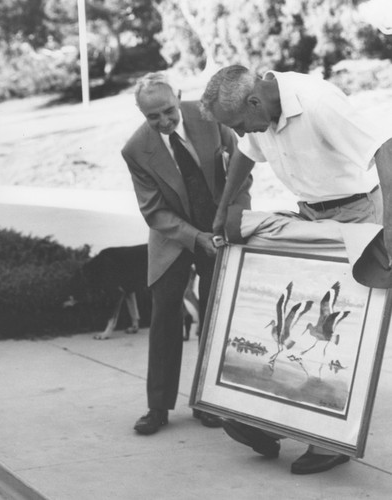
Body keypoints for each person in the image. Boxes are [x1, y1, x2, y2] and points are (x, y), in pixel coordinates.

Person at [200, 64, 392, 474]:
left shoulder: (317, 101)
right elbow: (243, 157)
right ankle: (266, 421)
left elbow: (385, 150)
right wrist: (223, 208)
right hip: (312, 214)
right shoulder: (259, 116)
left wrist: (391, 228)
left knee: (340, 328)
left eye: (238, 124)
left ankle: (330, 441)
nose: (240, 133)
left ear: (254, 101)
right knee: (293, 319)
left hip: (357, 212)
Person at [121, 71, 252, 435]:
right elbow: (155, 212)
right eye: (153, 117)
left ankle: (207, 402)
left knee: (214, 315)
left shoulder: (209, 116)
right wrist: (195, 237)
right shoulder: (135, 149)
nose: (163, 122)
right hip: (174, 237)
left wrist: (232, 219)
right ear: (141, 114)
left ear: (178, 97)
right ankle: (158, 406)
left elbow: (242, 169)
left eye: (168, 111)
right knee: (165, 314)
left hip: (218, 228)